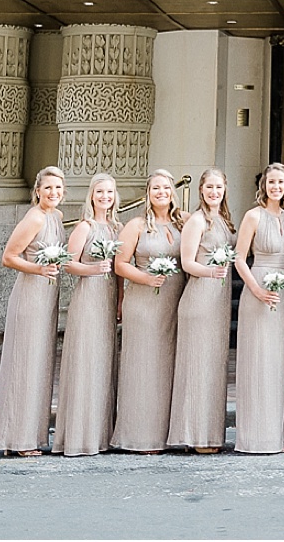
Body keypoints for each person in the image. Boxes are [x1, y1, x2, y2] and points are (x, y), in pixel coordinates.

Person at [0, 166, 68, 456]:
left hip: (48, 296)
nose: (53, 193)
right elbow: (8, 257)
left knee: (38, 365)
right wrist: (38, 268)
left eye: (58, 188)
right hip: (30, 297)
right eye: (48, 188)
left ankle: (30, 436)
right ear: (37, 191)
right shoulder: (34, 217)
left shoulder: (56, 216)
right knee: (25, 364)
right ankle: (17, 439)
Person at [112, 169, 187, 453]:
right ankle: (141, 436)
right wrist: (145, 278)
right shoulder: (136, 225)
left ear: (172, 192)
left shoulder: (183, 222)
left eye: (166, 188)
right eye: (156, 188)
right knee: (144, 365)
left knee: (168, 365)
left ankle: (168, 433)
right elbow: (121, 264)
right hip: (144, 302)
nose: (161, 193)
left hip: (174, 300)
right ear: (148, 193)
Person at [168, 167, 236, 453]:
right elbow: (187, 263)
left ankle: (210, 434)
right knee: (197, 366)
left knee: (213, 368)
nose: (214, 192)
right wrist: (211, 273)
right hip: (199, 299)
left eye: (218, 187)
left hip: (218, 302)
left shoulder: (225, 220)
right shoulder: (197, 221)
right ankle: (193, 435)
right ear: (200, 190)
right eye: (209, 187)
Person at [53, 173, 122, 457]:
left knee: (104, 364)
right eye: (100, 192)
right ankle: (79, 437)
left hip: (109, 300)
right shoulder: (85, 226)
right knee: (86, 362)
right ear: (91, 196)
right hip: (88, 299)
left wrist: (121, 300)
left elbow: (118, 270)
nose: (105, 197)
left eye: (109, 192)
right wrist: (94, 270)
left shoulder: (118, 228)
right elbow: (68, 264)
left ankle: (101, 435)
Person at [234, 162, 284, 454]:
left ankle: (280, 431)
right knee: (261, 365)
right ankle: (257, 436)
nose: (276, 187)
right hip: (258, 290)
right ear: (264, 186)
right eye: (271, 182)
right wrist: (256, 289)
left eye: (281, 183)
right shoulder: (253, 216)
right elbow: (238, 258)